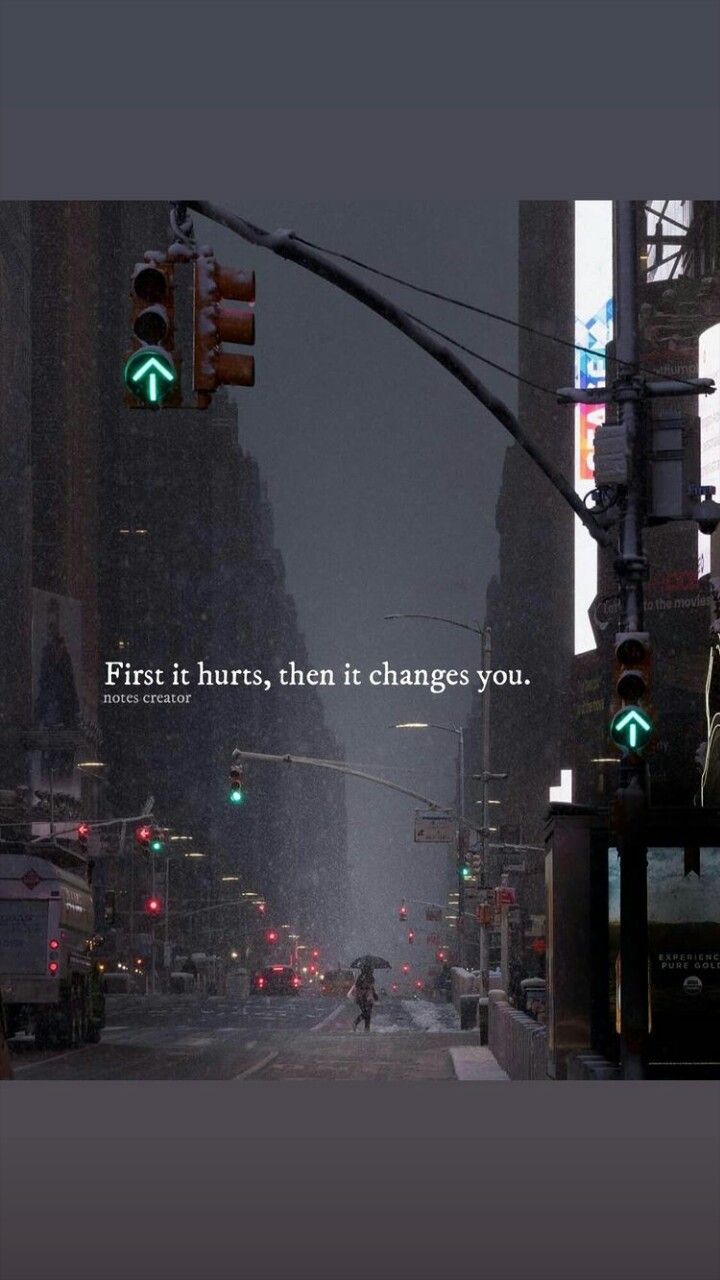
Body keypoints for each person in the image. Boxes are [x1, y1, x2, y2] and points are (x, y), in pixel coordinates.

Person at [353, 964, 378, 1031]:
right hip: (363, 997)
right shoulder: (362, 977)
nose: (372, 970)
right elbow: (359, 987)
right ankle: (357, 1023)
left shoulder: (369, 977)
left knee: (368, 1013)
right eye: (371, 969)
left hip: (368, 997)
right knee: (366, 1013)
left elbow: (371, 987)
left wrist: (374, 994)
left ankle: (366, 1028)